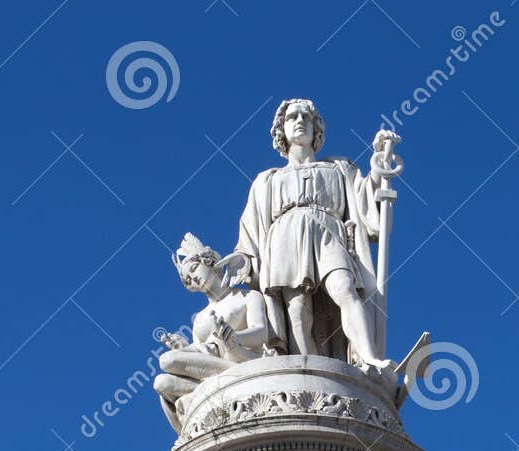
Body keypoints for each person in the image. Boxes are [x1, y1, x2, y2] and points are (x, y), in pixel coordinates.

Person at [225, 99, 396, 367]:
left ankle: (368, 357)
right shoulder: (266, 180)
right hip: (284, 238)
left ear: (317, 129)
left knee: (345, 289)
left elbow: (363, 201)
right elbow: (250, 231)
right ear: (281, 129)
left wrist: (378, 168)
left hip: (329, 232)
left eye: (307, 117)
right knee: (296, 310)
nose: (300, 121)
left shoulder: (339, 168)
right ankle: (306, 367)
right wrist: (240, 261)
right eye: (292, 117)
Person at [153, 233, 273, 431]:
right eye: (189, 278)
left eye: (194, 268)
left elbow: (261, 333)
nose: (194, 278)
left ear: (207, 261)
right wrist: (184, 347)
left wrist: (233, 338)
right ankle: (227, 381)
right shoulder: (200, 318)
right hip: (212, 366)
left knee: (167, 361)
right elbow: (202, 351)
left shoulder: (247, 296)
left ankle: (238, 376)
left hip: (239, 356)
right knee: (161, 382)